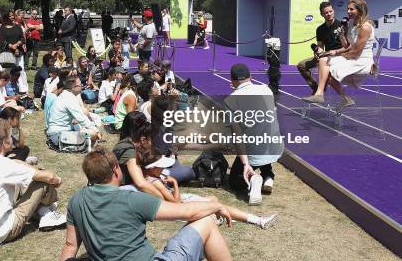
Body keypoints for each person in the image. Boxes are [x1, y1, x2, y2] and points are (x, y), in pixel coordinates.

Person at [60, 148, 233, 261]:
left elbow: (70, 246)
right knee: (207, 223)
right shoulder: (131, 199)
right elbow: (186, 212)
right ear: (115, 170)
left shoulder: (77, 199)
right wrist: (216, 206)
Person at [0, 118, 66, 246]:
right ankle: (47, 212)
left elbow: (15, 165)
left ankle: (43, 211)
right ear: (5, 142)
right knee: (42, 183)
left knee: (27, 178)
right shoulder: (5, 165)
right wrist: (58, 180)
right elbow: (49, 178)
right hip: (1, 232)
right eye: (10, 136)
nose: (12, 138)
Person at [139, 150, 277, 229]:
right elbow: (174, 202)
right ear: (152, 168)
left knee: (214, 200)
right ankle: (259, 220)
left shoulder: (149, 178)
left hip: (182, 201)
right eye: (161, 167)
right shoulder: (156, 183)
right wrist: (174, 183)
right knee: (217, 206)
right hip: (179, 206)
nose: (164, 169)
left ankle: (231, 217)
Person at [224, 63, 283, 205]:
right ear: (251, 77)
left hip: (255, 149)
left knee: (234, 182)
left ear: (231, 80)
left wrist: (245, 164)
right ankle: (268, 175)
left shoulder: (230, 100)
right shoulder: (266, 90)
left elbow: (237, 137)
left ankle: (254, 180)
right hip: (275, 147)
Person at [302, 0, 376, 107]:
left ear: (360, 11)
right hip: (351, 58)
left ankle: (337, 97)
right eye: (348, 9)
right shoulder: (351, 23)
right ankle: (320, 94)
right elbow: (348, 46)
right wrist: (342, 37)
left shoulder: (365, 27)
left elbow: (355, 53)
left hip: (361, 61)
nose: (348, 12)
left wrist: (337, 53)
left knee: (326, 67)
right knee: (323, 61)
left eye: (351, 9)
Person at [46, 75, 100, 146]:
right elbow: (82, 119)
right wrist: (97, 131)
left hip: (56, 132)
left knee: (83, 129)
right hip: (58, 135)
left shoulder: (65, 95)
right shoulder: (69, 99)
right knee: (92, 135)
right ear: (73, 88)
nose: (82, 86)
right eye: (80, 85)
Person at [0, 11, 29, 92]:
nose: (12, 17)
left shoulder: (18, 26)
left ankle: (23, 90)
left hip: (19, 51)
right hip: (7, 52)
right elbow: (2, 41)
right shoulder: (2, 28)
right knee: (7, 71)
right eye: (10, 15)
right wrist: (11, 46)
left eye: (13, 15)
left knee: (21, 70)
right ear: (6, 17)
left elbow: (22, 38)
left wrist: (17, 45)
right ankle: (6, 90)